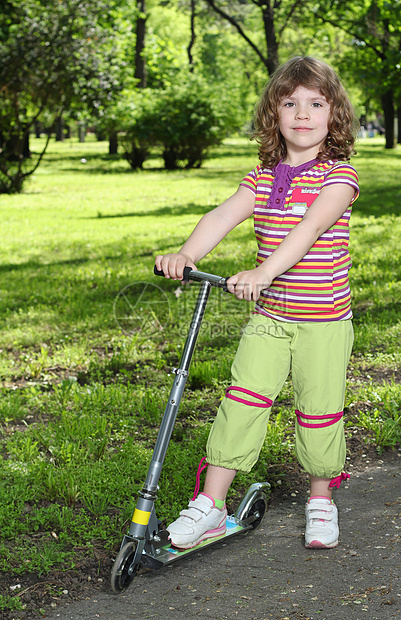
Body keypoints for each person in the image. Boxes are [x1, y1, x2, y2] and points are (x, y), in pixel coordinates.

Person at [155, 56, 359, 550]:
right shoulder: (262, 177)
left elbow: (308, 230)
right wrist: (187, 253)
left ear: (333, 116)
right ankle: (212, 505)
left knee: (318, 409)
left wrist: (264, 272)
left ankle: (320, 500)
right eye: (290, 103)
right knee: (242, 401)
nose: (303, 113)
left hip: (324, 321)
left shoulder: (339, 177)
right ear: (274, 114)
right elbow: (222, 215)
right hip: (271, 318)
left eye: (316, 103)